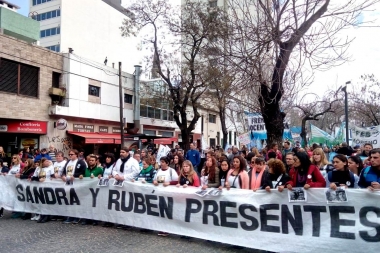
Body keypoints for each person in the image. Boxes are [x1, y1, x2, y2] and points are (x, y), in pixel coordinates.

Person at [153, 156, 179, 237]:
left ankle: (167, 228)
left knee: (167, 211)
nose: (161, 164)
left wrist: (169, 183)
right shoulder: (158, 171)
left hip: (168, 194)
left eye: (163, 162)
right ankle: (162, 228)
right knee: (161, 211)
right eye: (161, 162)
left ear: (167, 163)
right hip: (159, 194)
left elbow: (177, 180)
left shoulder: (171, 171)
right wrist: (154, 182)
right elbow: (154, 179)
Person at [61, 149, 87, 224]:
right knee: (70, 200)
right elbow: (64, 170)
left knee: (77, 200)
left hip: (76, 183)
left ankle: (77, 216)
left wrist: (75, 175)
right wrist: (63, 176)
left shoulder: (81, 162)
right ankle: (71, 216)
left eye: (72, 154)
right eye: (69, 154)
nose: (70, 156)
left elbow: (83, 171)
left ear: (76, 155)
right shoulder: (68, 162)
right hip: (68, 183)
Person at [81, 155, 103, 226]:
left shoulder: (99, 169)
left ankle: (95, 219)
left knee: (95, 205)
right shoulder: (86, 169)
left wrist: (99, 177)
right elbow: (83, 176)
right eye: (90, 160)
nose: (90, 162)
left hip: (96, 190)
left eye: (92, 160)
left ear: (96, 161)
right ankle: (87, 218)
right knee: (87, 204)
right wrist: (81, 176)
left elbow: (102, 177)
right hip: (87, 190)